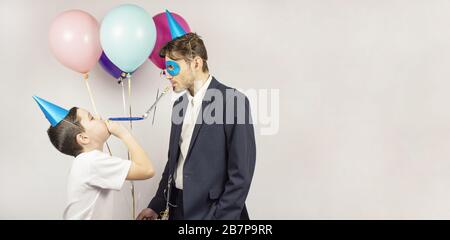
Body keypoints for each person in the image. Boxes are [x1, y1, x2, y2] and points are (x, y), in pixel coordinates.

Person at [136, 31, 256, 220]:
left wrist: (221, 218)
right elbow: (173, 162)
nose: (167, 74)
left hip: (215, 212)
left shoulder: (234, 101)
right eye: (165, 69)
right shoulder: (179, 106)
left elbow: (241, 174)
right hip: (178, 210)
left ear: (196, 63)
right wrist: (157, 205)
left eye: (172, 67)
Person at [33, 96, 154, 220]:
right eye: (91, 118)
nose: (99, 117)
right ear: (83, 138)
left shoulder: (85, 161)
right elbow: (147, 170)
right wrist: (124, 134)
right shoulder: (92, 162)